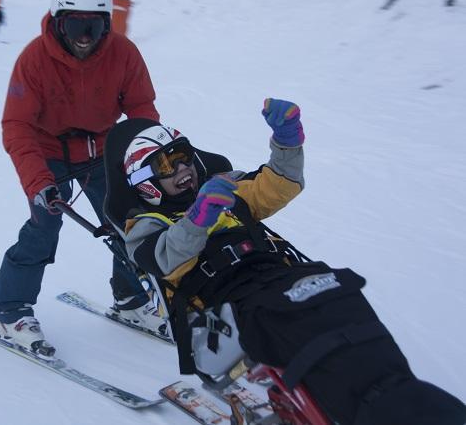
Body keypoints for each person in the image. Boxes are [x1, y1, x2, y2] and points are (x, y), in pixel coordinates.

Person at [107, 100, 466, 425]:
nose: (181, 168)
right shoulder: (145, 225)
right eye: (166, 165)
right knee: (294, 324)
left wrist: (287, 141)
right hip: (222, 303)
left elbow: (279, 184)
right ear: (144, 182)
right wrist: (198, 218)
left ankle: (395, 393)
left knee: (343, 295)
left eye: (183, 156)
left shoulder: (221, 186)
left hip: (279, 277)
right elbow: (163, 258)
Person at [0, 0, 162, 358]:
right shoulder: (34, 60)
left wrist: (148, 157)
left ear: (106, 26)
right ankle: (9, 310)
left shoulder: (124, 54)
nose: (84, 36)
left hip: (101, 150)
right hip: (48, 153)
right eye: (75, 24)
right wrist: (38, 182)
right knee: (43, 227)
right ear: (57, 21)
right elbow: (17, 124)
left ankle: (130, 299)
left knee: (130, 222)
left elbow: (141, 109)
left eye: (93, 27)